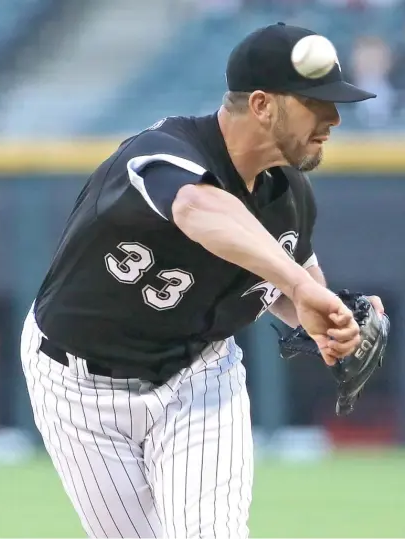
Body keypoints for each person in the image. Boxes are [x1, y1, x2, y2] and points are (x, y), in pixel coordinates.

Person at [20, 22, 384, 539]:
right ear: (261, 104)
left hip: (199, 380)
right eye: (315, 103)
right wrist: (302, 288)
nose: (333, 118)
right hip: (78, 387)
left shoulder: (292, 196)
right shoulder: (162, 151)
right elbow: (197, 207)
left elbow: (290, 283)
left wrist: (328, 318)